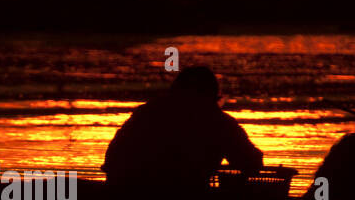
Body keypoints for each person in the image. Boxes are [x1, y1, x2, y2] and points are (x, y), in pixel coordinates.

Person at [102, 66, 263, 192]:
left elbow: (112, 158)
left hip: (123, 192)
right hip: (184, 198)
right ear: (211, 96)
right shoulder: (218, 122)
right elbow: (251, 163)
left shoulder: (148, 111)